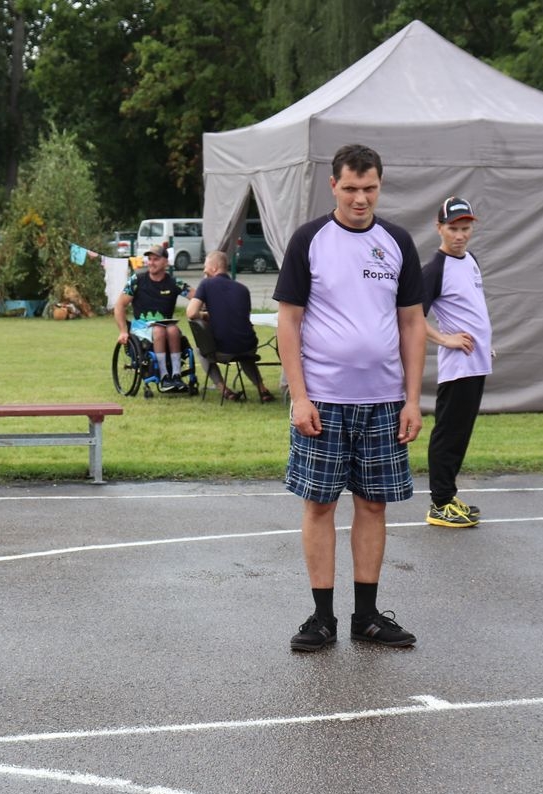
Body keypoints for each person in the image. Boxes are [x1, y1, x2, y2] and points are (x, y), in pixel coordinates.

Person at [274, 143, 426, 652]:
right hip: (324, 399)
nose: (361, 199)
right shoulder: (309, 240)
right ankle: (322, 618)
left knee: (373, 504)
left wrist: (411, 399)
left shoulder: (398, 242)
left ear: (380, 185)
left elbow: (412, 324)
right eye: (352, 188)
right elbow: (289, 322)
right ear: (333, 186)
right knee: (319, 504)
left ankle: (367, 615)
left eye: (370, 189)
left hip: (385, 402)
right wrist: (299, 396)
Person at [421, 196, 491, 529]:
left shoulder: (470, 260)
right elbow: (410, 318)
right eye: (453, 228)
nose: (460, 235)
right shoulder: (435, 269)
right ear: (439, 228)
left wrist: (486, 345)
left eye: (465, 228)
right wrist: (446, 339)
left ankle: (449, 496)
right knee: (449, 434)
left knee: (461, 434)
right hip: (458, 367)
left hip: (476, 363)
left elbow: (472, 309)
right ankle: (440, 503)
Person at [185, 250, 274, 402]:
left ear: (214, 268)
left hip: (223, 350)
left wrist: (204, 315)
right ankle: (262, 389)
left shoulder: (206, 284)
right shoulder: (243, 289)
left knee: (201, 351)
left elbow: (191, 312)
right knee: (244, 354)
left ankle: (225, 390)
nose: (204, 271)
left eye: (205, 268)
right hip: (249, 346)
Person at [115, 245, 192, 392]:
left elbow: (196, 297)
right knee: (159, 330)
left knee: (173, 330)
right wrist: (123, 331)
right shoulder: (137, 280)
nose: (151, 262)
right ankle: (164, 377)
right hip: (142, 328)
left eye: (156, 259)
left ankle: (176, 375)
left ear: (165, 262)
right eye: (149, 259)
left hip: (166, 326)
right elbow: (119, 305)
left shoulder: (174, 283)